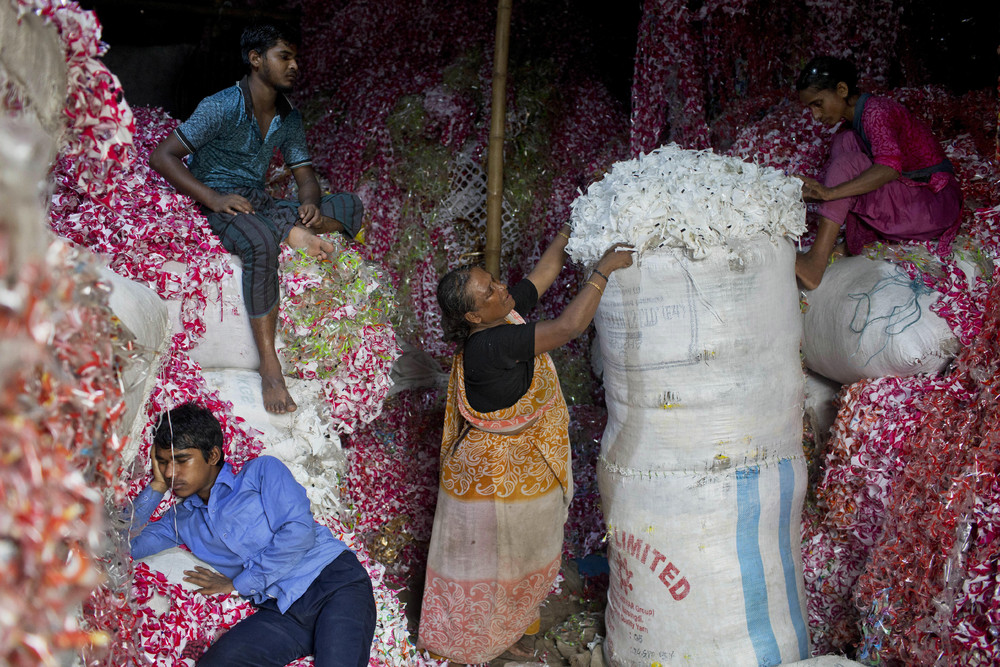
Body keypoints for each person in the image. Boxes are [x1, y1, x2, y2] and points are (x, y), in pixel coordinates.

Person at [417, 225, 633, 663]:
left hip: (507, 471)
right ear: (475, 316)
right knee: (492, 567)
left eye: (493, 280)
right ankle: (472, 643)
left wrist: (569, 232)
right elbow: (570, 326)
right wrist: (603, 271)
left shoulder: (502, 314)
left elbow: (540, 277)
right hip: (493, 478)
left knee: (512, 564)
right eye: (490, 290)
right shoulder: (492, 343)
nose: (501, 288)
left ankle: (507, 631)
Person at [150, 22, 364, 414]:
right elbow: (161, 156)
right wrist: (212, 198)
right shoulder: (222, 105)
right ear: (255, 60)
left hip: (258, 200)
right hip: (215, 199)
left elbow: (305, 178)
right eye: (285, 57)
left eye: (296, 57)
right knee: (259, 243)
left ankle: (295, 228)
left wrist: (311, 203)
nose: (294, 65)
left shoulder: (289, 117)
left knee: (349, 206)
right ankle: (270, 368)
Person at [127, 402, 376, 667]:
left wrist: (240, 583)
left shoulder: (260, 473)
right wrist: (156, 487)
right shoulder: (181, 520)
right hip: (282, 611)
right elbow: (123, 547)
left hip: (333, 583)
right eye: (164, 463)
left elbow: (298, 533)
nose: (170, 472)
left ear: (212, 455)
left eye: (181, 460)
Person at [793, 55, 963, 289]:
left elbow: (889, 168)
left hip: (934, 203)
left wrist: (830, 193)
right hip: (913, 198)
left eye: (818, 103)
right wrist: (813, 191)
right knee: (845, 143)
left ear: (841, 89)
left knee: (847, 164)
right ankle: (854, 240)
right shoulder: (851, 126)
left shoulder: (876, 112)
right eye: (810, 107)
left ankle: (816, 261)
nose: (815, 115)